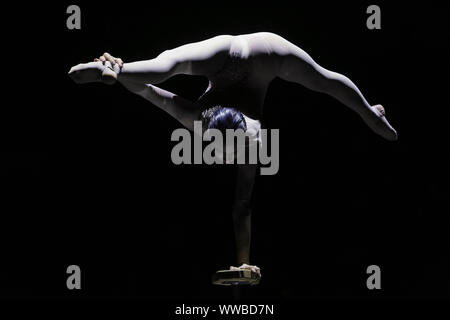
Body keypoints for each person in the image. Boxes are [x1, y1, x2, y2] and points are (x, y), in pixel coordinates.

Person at [69, 31, 398, 279]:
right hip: (264, 51)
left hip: (242, 52)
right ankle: (369, 112)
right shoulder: (227, 134)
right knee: (323, 80)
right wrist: (244, 260)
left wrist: (120, 76)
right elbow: (241, 204)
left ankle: (111, 65)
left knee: (166, 63)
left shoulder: (207, 124)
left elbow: (149, 88)